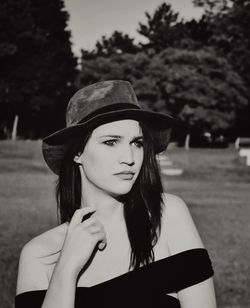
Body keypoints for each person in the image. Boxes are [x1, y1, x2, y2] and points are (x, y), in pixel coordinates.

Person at [15, 80, 216, 308]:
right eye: (111, 142)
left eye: (137, 143)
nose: (129, 158)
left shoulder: (167, 217)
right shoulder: (39, 255)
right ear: (77, 152)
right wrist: (66, 269)